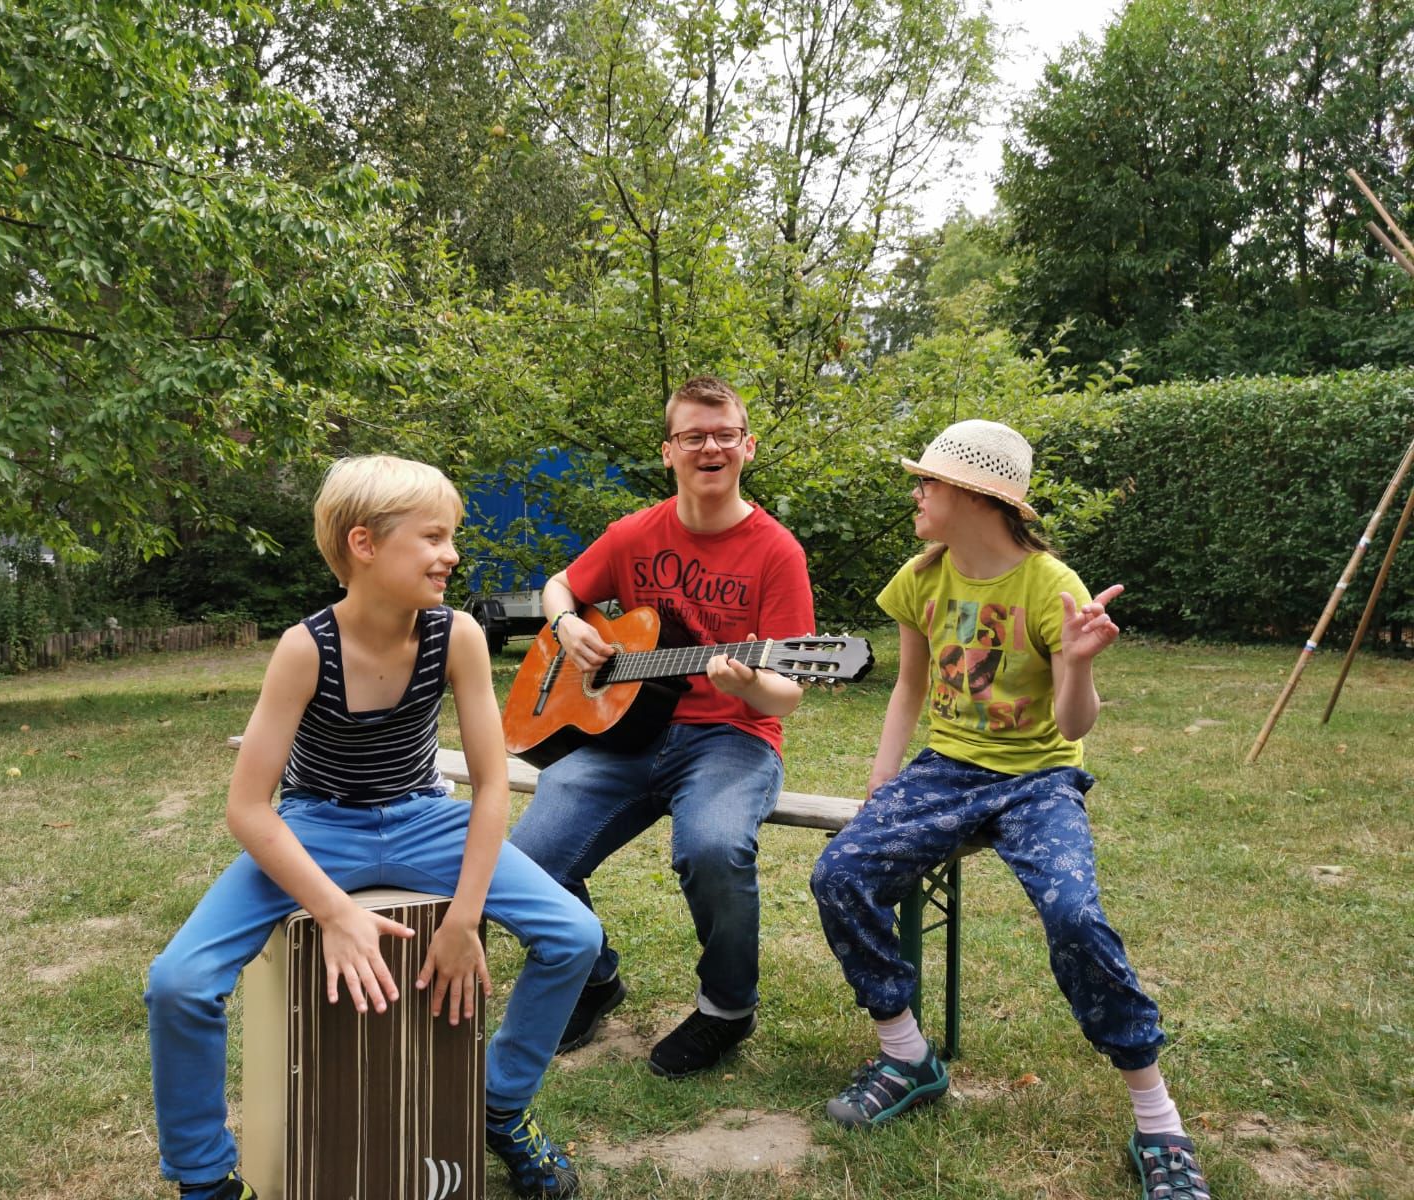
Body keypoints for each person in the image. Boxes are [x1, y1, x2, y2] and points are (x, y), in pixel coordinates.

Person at [145, 455, 601, 1200]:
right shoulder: (305, 648)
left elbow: (491, 785)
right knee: (178, 983)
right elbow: (248, 807)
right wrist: (334, 913)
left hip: (424, 819)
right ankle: (204, 1179)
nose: (451, 554)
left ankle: (501, 1106)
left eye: (450, 537)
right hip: (316, 825)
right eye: (432, 538)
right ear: (363, 544)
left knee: (574, 937)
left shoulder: (456, 636)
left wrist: (463, 920)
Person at [809, 420, 1210, 1200]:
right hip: (947, 769)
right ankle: (906, 1056)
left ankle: (1158, 1121)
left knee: (1074, 917)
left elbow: (1071, 726)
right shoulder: (919, 580)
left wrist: (1082, 665)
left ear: (976, 496)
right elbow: (909, 686)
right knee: (840, 873)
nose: (917, 492)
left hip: (1037, 778)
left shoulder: (1050, 586)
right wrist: (884, 776)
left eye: (928, 482)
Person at [510, 375, 816, 1079]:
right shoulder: (634, 533)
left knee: (711, 846)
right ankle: (592, 978)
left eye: (724, 434)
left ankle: (726, 1011)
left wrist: (749, 681)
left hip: (730, 740)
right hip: (624, 734)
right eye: (693, 436)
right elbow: (563, 585)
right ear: (668, 451)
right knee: (523, 863)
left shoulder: (777, 552)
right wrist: (564, 626)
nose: (710, 447)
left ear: (748, 445)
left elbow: (787, 696)